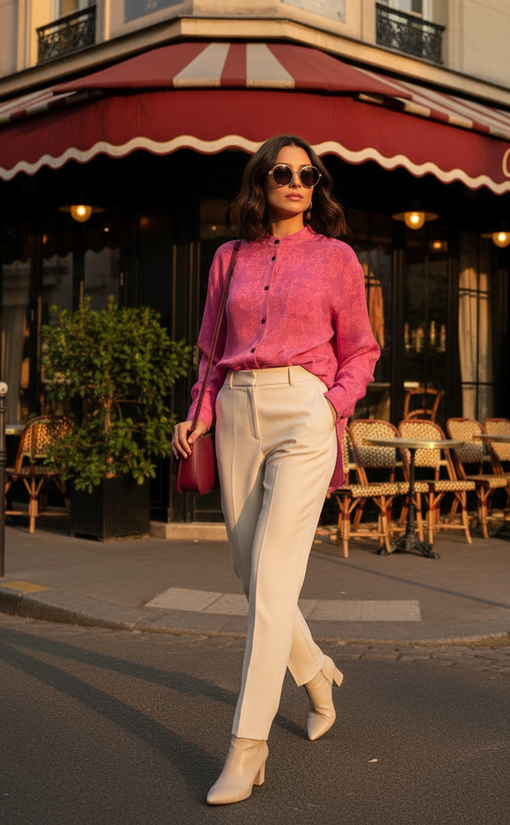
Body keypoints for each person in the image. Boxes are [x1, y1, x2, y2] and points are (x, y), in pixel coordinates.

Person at [171, 134, 380, 805]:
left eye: (308, 173)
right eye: (283, 171)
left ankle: (247, 744)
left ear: (317, 185)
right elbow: (211, 351)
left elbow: (362, 349)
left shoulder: (338, 257)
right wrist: (197, 411)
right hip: (235, 409)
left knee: (272, 575)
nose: (297, 181)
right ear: (259, 181)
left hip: (305, 411)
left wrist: (331, 405)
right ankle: (316, 673)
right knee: (249, 569)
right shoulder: (227, 259)